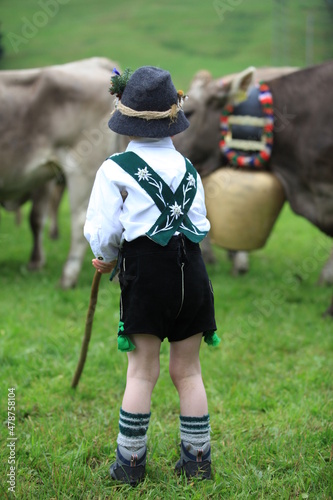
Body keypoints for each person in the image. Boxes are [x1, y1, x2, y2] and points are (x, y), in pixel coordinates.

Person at [84, 66, 220, 486]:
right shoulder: (187, 166)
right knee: (189, 371)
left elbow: (104, 230)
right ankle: (197, 462)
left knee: (142, 371)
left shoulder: (114, 167)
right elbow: (198, 220)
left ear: (124, 119)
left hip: (147, 274)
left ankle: (130, 464)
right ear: (172, 119)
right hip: (192, 273)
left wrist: (105, 258)